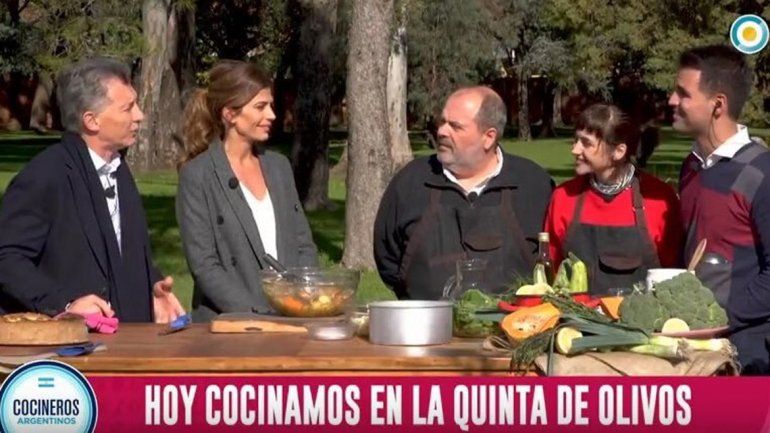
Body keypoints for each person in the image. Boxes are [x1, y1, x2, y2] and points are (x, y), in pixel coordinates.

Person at [0, 58, 184, 323]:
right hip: (69, 352)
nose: (139, 116)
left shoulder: (118, 169)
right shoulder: (45, 176)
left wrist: (151, 286)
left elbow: (115, 250)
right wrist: (65, 303)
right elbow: (8, 259)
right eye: (127, 108)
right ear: (92, 120)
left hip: (127, 347)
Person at [374, 86, 553, 299]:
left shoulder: (532, 184)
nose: (441, 131)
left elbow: (555, 258)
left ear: (488, 137)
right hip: (427, 328)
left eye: (455, 126)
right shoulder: (410, 182)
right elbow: (388, 259)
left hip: (516, 328)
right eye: (442, 122)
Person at [176, 60, 318, 322]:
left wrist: (302, 297)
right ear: (230, 113)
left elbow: (302, 243)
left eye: (271, 106)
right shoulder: (198, 176)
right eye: (260, 107)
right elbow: (205, 265)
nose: (272, 116)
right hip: (231, 327)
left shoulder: (279, 167)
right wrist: (259, 314)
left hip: (292, 321)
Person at [671, 45, 770, 374]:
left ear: (718, 104)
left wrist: (719, 315)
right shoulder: (692, 166)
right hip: (695, 351)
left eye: (683, 94)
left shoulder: (761, 173)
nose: (672, 101)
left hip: (751, 357)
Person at [544, 104, 683, 296]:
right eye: (576, 140)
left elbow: (673, 276)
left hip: (641, 323)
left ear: (618, 151)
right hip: (576, 322)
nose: (575, 150)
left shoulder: (658, 199)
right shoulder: (564, 197)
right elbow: (550, 272)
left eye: (587, 143)